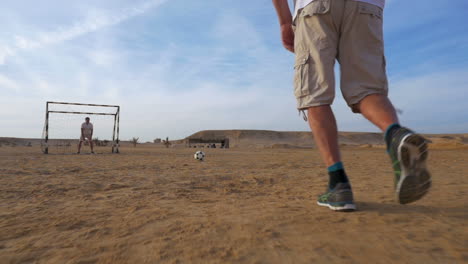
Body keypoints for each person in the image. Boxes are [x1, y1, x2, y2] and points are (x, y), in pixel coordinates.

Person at [272, 0, 431, 211]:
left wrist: (284, 22)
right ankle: (396, 135)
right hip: (367, 6)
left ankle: (338, 183)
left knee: (315, 95)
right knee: (368, 90)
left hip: (315, 7)